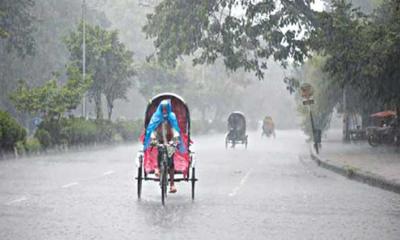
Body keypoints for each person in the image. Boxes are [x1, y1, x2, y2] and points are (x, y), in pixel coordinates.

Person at [143, 99, 185, 193]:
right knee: (159, 152)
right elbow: (152, 130)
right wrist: (153, 139)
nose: (165, 110)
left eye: (166, 108)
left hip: (170, 141)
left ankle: (172, 184)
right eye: (163, 108)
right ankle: (157, 168)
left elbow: (175, 129)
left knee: (171, 161)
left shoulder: (172, 117)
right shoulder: (156, 116)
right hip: (159, 139)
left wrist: (175, 140)